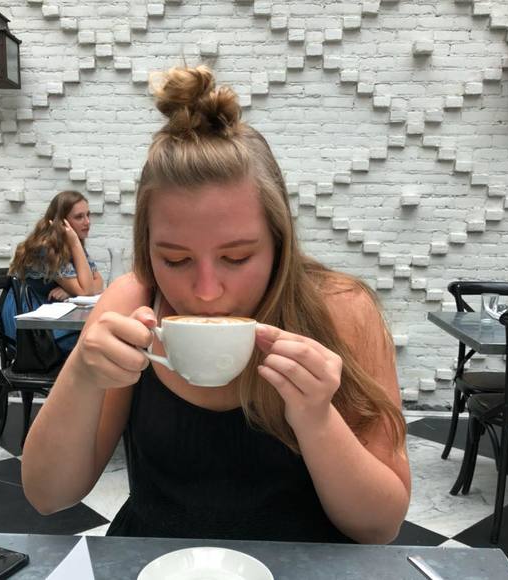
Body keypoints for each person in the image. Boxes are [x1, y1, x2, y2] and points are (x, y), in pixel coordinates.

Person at [22, 66, 410, 544]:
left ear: (279, 242)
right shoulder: (133, 301)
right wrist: (82, 373)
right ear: (147, 248)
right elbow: (48, 495)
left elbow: (379, 528)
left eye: (237, 257)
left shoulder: (343, 310)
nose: (206, 291)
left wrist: (316, 419)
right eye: (175, 259)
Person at [3, 190, 104, 352]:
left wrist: (70, 291)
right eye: (79, 217)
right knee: (95, 338)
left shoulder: (72, 244)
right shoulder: (46, 249)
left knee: (99, 335)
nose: (87, 222)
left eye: (88, 215)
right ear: (62, 222)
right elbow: (87, 291)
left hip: (50, 314)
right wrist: (75, 243)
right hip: (31, 324)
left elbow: (98, 282)